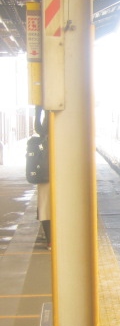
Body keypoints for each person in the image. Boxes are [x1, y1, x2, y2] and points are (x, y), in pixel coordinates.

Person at [33, 106, 51, 249]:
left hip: (45, 176)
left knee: (45, 208)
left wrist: (39, 110)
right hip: (61, 176)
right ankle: (54, 238)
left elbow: (38, 127)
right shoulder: (65, 134)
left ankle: (50, 240)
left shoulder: (43, 135)